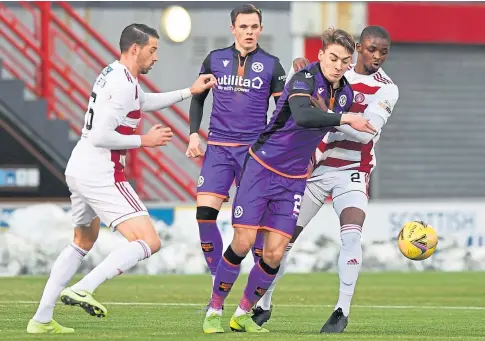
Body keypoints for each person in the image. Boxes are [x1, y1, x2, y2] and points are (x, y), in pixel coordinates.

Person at [27, 23, 216, 334]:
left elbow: (142, 101)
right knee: (149, 241)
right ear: (135, 49)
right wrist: (145, 141)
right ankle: (84, 287)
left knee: (83, 240)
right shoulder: (123, 84)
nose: (156, 57)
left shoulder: (116, 74)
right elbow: (101, 135)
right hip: (102, 172)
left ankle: (41, 319)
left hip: (80, 167)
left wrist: (188, 91)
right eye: (153, 50)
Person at [202, 27, 376, 334]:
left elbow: (323, 127)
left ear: (350, 63)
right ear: (321, 55)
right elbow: (304, 116)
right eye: (333, 57)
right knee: (242, 243)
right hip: (262, 167)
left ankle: (242, 314)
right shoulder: (303, 79)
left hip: (294, 178)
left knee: (274, 252)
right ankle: (214, 309)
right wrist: (346, 118)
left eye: (344, 60)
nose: (338, 65)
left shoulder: (346, 93)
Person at [252, 26, 399, 334]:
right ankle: (262, 305)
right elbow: (306, 108)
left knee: (351, 236)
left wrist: (327, 112)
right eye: (372, 49)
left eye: (383, 52)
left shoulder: (387, 88)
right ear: (358, 48)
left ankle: (341, 311)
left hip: (353, 172)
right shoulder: (333, 73)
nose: (377, 57)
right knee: (282, 241)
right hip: (315, 170)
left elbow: (364, 132)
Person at [186, 4, 289, 283]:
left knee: (253, 227)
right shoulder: (214, 59)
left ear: (261, 29)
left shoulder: (272, 65)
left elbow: (283, 112)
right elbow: (198, 97)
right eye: (243, 27)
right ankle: (215, 284)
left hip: (253, 154)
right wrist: (194, 133)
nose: (249, 32)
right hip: (218, 149)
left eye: (254, 27)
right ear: (233, 29)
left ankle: (258, 298)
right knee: (205, 216)